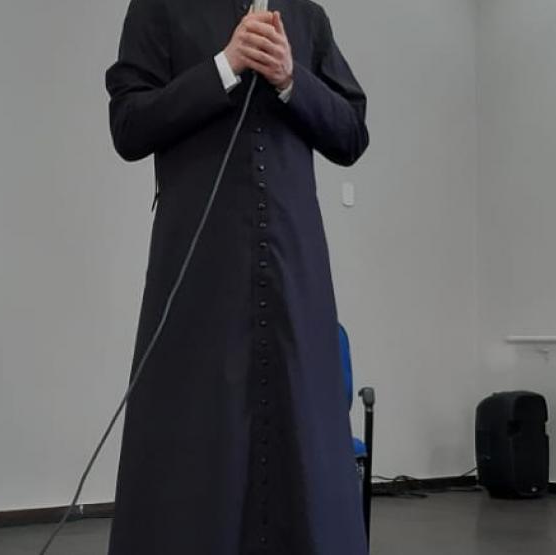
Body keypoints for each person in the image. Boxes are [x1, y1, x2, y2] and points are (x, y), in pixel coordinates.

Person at [106, 1, 369, 554]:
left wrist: (291, 78)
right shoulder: (159, 7)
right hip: (200, 268)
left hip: (294, 264)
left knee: (301, 426)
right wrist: (225, 66)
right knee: (197, 432)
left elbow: (351, 133)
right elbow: (128, 126)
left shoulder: (307, 17)